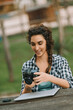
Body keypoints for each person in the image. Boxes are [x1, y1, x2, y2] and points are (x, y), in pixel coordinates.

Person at [21, 24, 73, 94]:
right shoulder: (27, 66)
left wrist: (49, 78)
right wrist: (28, 87)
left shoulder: (60, 61)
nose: (36, 48)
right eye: (33, 44)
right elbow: (23, 95)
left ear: (47, 42)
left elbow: (70, 85)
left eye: (40, 43)